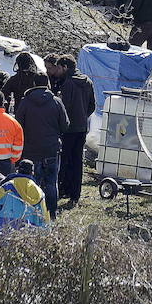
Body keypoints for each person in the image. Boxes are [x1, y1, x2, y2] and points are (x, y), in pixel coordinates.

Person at [15, 75, 69, 219]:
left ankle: (33, 214)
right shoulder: (57, 102)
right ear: (48, 84)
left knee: (33, 183)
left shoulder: (25, 102)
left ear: (33, 84)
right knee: (51, 183)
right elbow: (65, 125)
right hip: (51, 149)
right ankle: (51, 213)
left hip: (31, 150)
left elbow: (18, 125)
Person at [50, 54, 95, 207]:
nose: (58, 70)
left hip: (68, 128)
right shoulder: (87, 81)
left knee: (65, 161)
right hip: (82, 128)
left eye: (59, 68)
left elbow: (64, 107)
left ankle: (63, 190)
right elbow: (92, 105)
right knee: (77, 162)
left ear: (65, 67)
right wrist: (83, 116)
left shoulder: (68, 83)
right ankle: (75, 194)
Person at [0, 158, 47, 230]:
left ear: (18, 170)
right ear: (32, 173)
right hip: (28, 229)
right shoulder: (38, 191)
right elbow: (44, 215)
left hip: (4, 227)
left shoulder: (7, 186)